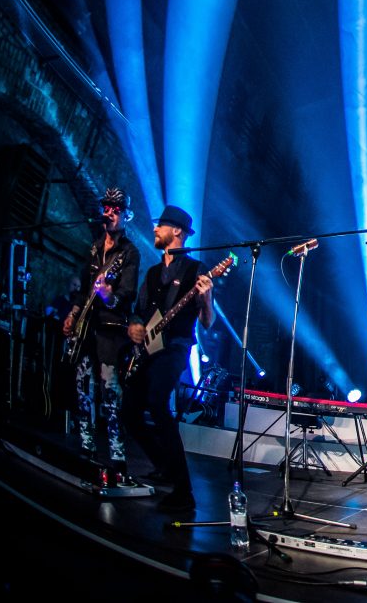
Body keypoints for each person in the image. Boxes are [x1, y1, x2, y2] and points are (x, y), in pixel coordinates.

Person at [123, 204, 214, 513]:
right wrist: (134, 326)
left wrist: (207, 298)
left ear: (177, 231)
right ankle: (162, 464)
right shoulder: (152, 272)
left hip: (175, 347)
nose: (155, 229)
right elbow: (139, 311)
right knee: (129, 411)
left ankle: (184, 491)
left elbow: (207, 322)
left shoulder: (195, 269)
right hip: (148, 349)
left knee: (158, 404)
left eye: (160, 225)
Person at [62, 187, 141, 479]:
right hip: (87, 328)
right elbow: (84, 289)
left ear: (125, 215)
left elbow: (128, 293)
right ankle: (86, 446)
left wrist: (110, 297)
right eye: (106, 207)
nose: (109, 213)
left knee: (110, 392)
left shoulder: (129, 253)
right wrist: (73, 314)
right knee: (83, 387)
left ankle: (117, 456)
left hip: (111, 331)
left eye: (115, 209)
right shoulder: (94, 248)